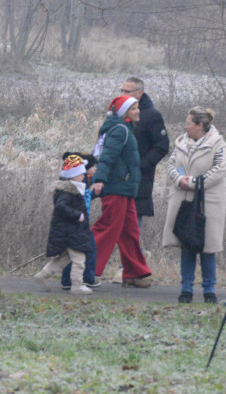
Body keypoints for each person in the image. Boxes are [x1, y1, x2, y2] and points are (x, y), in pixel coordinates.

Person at [161, 107, 226, 304]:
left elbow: (219, 170)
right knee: (187, 245)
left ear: (200, 126)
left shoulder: (219, 146)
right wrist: (178, 179)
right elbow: (171, 165)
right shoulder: (181, 143)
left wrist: (192, 183)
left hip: (208, 203)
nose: (185, 126)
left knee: (207, 248)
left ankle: (209, 290)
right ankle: (186, 290)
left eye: (188, 123)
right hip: (183, 201)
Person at [91, 96, 153, 287]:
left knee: (130, 232)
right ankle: (85, 268)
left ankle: (134, 273)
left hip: (125, 190)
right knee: (107, 229)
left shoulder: (125, 129)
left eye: (137, 107)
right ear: (125, 112)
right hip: (115, 189)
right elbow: (107, 157)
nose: (138, 111)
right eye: (133, 108)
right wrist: (99, 179)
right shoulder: (119, 130)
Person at [34, 154, 96, 295]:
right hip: (70, 232)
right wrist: (77, 215)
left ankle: (42, 275)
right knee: (79, 260)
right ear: (72, 175)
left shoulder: (75, 189)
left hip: (71, 231)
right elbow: (60, 207)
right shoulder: (68, 191)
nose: (83, 175)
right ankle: (77, 286)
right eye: (80, 173)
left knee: (63, 259)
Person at [120, 77, 170, 241]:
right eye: (121, 90)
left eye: (126, 91)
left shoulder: (152, 116)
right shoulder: (119, 113)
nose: (122, 94)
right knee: (119, 226)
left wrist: (139, 167)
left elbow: (162, 147)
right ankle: (131, 261)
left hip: (140, 180)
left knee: (133, 227)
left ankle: (131, 264)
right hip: (118, 178)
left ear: (139, 94)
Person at [60, 152, 100, 290]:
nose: (95, 168)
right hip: (78, 222)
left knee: (74, 252)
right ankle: (87, 278)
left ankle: (67, 280)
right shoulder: (78, 182)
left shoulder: (86, 180)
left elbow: (88, 197)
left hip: (81, 221)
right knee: (88, 249)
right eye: (93, 166)